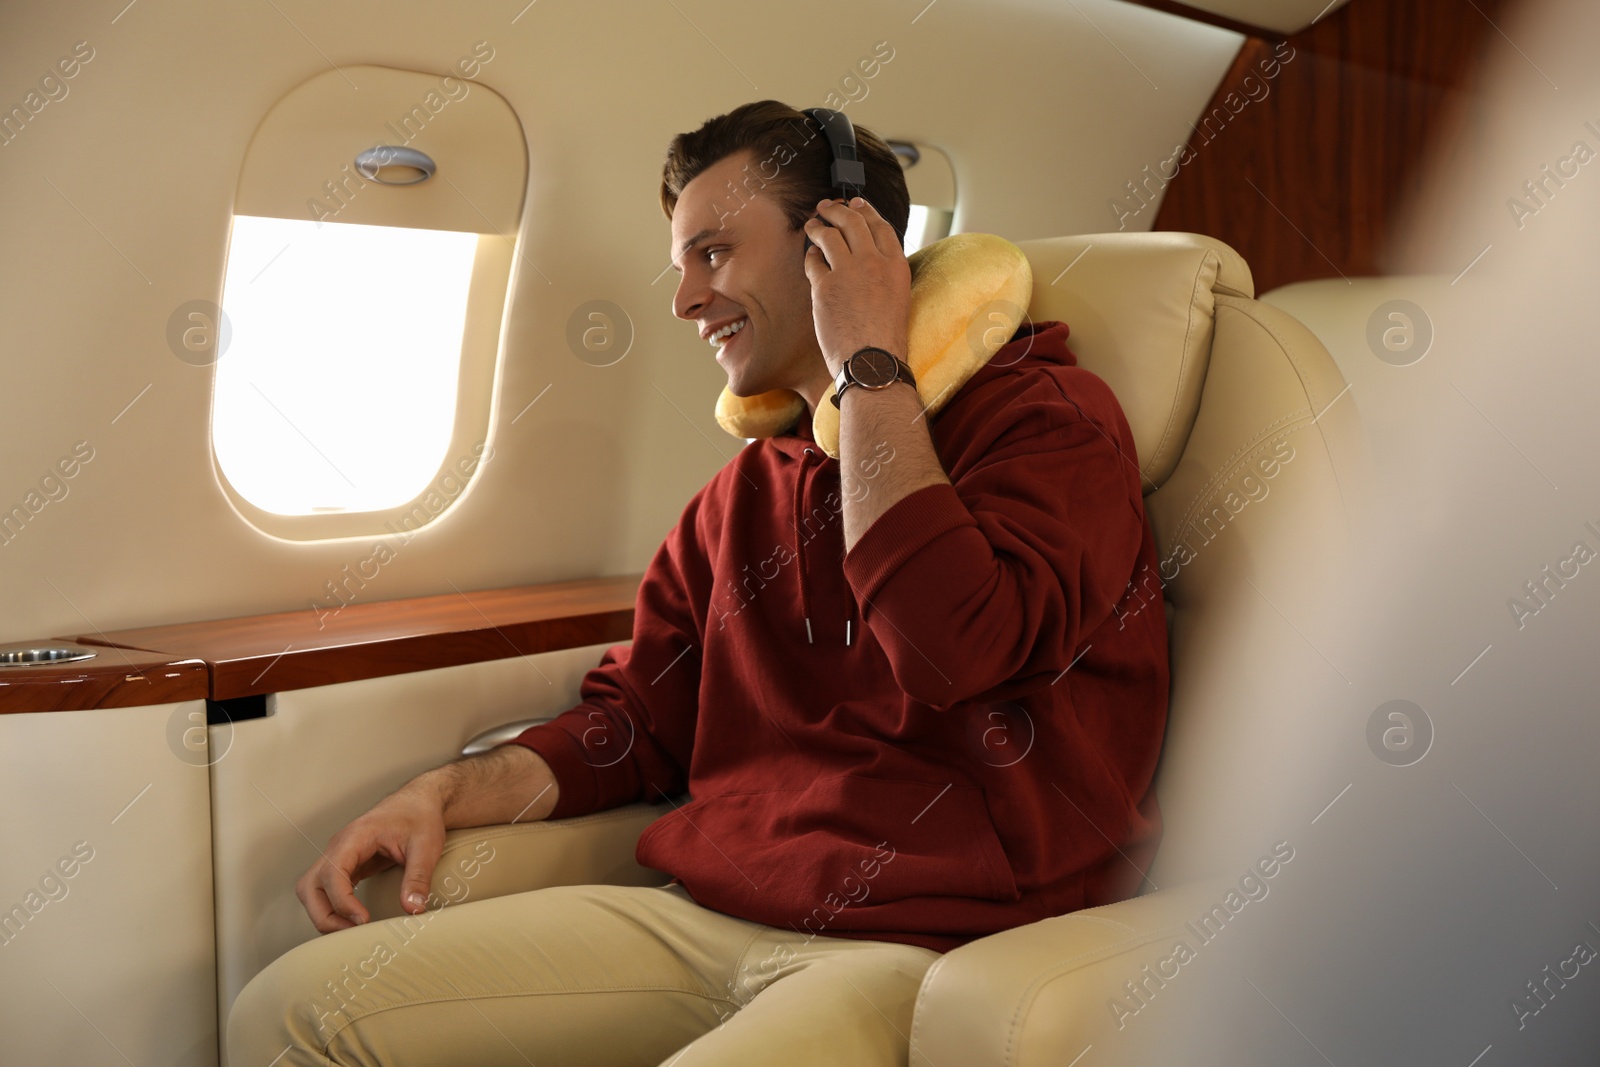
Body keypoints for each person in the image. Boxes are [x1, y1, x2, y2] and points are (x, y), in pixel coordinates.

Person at [228, 99, 1169, 1066]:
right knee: (294, 1013)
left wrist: (869, 367)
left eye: (713, 253)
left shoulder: (1047, 424)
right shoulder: (745, 493)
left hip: (927, 946)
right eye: (681, 261)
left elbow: (948, 647)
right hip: (709, 917)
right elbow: (634, 722)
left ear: (842, 245)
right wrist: (439, 792)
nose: (683, 299)